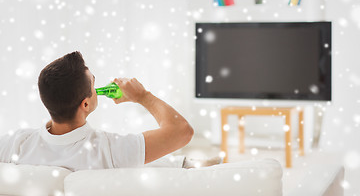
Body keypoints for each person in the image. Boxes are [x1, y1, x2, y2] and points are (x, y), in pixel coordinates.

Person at [0, 51, 221, 171]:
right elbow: (182, 131)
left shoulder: (16, 143)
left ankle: (185, 163)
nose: (96, 89)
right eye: (93, 85)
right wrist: (143, 96)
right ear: (85, 104)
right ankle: (185, 165)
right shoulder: (110, 149)